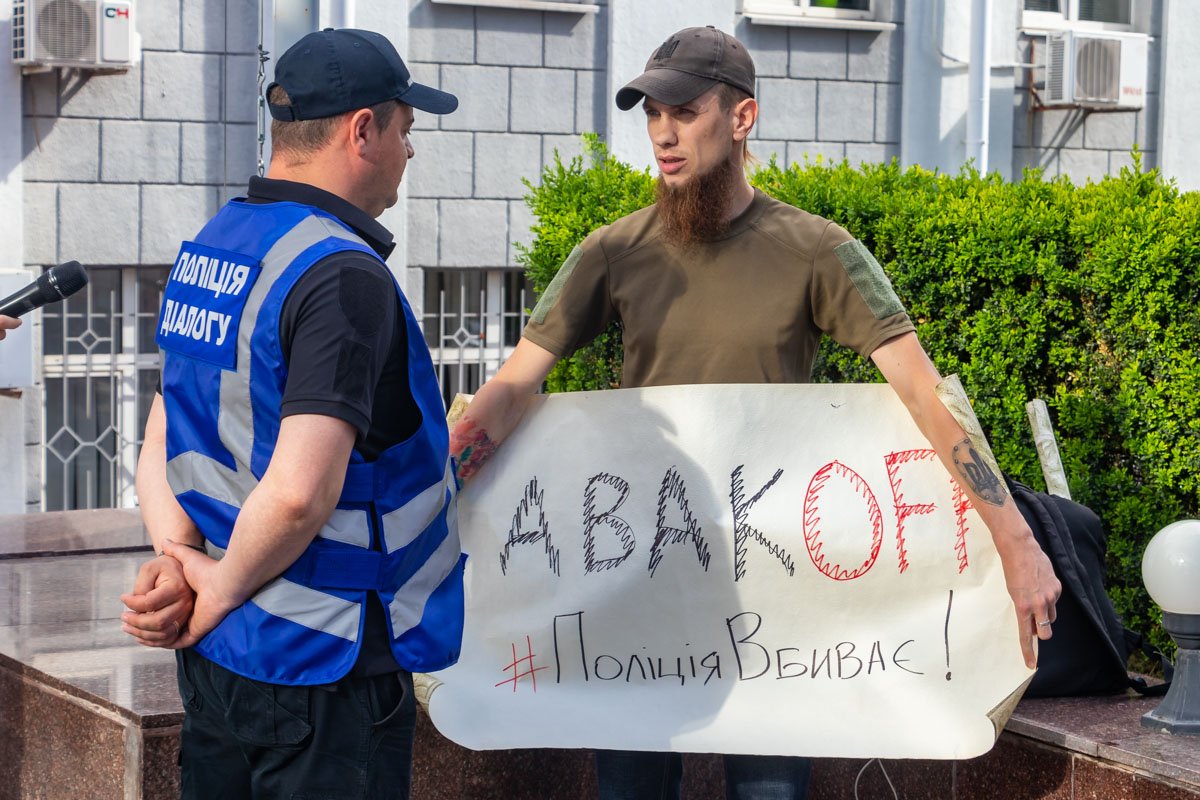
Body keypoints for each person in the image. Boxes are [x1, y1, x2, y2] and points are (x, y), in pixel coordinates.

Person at [450, 25, 1062, 800]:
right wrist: (423, 499)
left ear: (742, 118)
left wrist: (1017, 542)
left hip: (778, 605)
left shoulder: (816, 249)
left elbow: (922, 394)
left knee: (771, 792)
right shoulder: (610, 252)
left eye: (684, 110)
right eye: (650, 113)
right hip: (636, 592)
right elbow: (508, 394)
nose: (663, 133)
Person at [120, 28, 463, 799]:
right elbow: (302, 489)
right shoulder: (343, 275)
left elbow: (164, 430)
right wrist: (216, 588)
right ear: (362, 130)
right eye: (406, 129)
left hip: (219, 658)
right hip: (324, 661)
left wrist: (179, 564)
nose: (411, 152)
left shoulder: (218, 242)